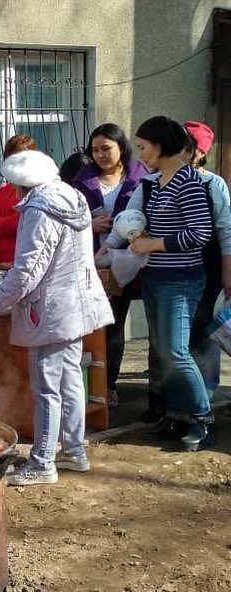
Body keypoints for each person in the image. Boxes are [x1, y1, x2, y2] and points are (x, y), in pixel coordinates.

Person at [0, 150, 113, 485]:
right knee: (71, 379)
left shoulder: (39, 209)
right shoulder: (72, 196)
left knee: (47, 388)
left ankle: (42, 462)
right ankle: (74, 450)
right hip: (76, 304)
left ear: (21, 185)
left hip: (50, 310)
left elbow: (26, 273)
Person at [128, 116, 214, 451]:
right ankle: (178, 415)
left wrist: (154, 244)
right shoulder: (156, 182)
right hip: (156, 277)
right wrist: (141, 235)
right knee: (164, 352)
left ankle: (202, 419)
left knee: (178, 351)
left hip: (181, 280)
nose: (140, 154)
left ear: (162, 145)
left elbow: (200, 233)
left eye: (143, 147)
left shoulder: (188, 182)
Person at [71, 123, 149, 408]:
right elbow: (68, 220)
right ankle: (96, 385)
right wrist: (89, 225)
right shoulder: (81, 181)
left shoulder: (142, 177)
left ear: (121, 148)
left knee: (115, 324)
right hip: (92, 261)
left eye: (106, 149)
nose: (100, 155)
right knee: (96, 325)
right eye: (95, 150)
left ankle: (113, 385)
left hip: (132, 262)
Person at [183, 121, 231, 403]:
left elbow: (226, 230)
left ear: (199, 153)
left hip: (210, 266)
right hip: (177, 267)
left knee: (205, 327)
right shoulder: (160, 180)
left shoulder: (214, 184)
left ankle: (208, 386)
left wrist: (227, 271)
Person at [0, 134, 37, 270]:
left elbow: (26, 221)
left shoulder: (35, 190)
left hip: (21, 264)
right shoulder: (3, 191)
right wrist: (9, 223)